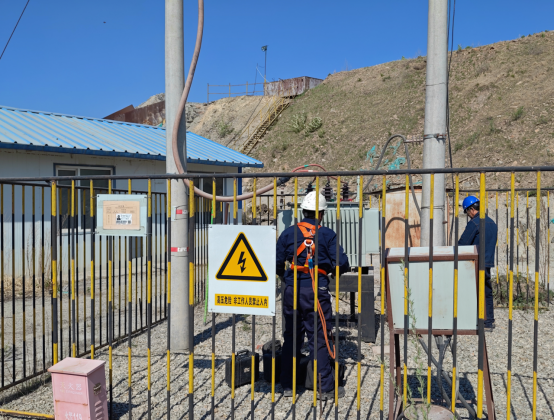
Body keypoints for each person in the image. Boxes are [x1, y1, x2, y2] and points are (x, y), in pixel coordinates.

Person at [276, 191, 350, 400]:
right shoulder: (327, 234)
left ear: (303, 211)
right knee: (319, 338)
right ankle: (325, 388)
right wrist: (330, 272)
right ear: (321, 214)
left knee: (291, 336)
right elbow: (342, 263)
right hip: (316, 291)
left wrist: (286, 277)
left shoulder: (288, 233)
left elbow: (277, 261)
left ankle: (288, 385)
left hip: (292, 290)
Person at [459, 195, 498, 331]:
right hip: (487, 262)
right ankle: (488, 321)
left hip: (475, 263)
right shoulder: (492, 223)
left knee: (470, 291)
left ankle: (470, 319)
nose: (468, 215)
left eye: (467, 212)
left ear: (471, 209)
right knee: (486, 291)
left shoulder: (475, 223)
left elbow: (462, 244)